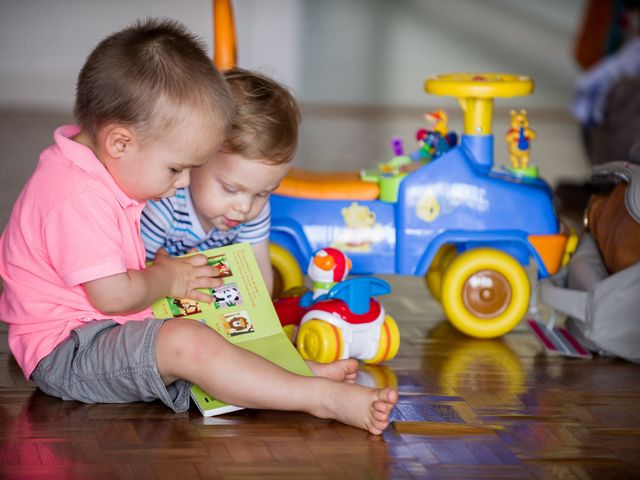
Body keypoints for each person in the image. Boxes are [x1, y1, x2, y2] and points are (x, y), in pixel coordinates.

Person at [0, 19, 397, 435]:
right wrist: (168, 277)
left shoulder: (99, 169)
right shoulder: (75, 195)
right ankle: (318, 398)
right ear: (120, 142)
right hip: (69, 351)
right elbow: (113, 294)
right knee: (187, 343)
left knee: (204, 327)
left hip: (104, 330)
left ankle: (286, 377)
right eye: (176, 168)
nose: (184, 183)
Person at [140, 67, 298, 294]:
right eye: (230, 189)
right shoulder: (163, 208)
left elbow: (259, 273)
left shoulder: (254, 210)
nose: (245, 207)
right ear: (195, 160)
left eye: (263, 193)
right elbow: (133, 276)